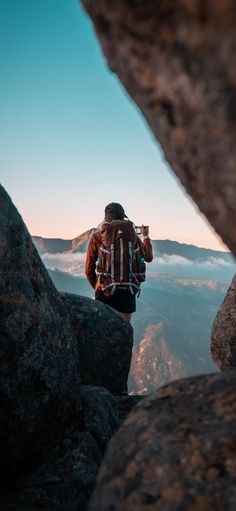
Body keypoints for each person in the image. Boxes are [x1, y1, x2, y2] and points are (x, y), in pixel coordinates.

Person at [85, 202, 153, 321]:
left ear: (106, 218)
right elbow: (148, 257)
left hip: (105, 291)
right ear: (123, 217)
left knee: (103, 329)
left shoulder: (98, 237)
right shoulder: (133, 236)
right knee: (124, 330)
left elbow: (88, 270)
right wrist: (146, 237)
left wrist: (98, 288)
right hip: (127, 291)